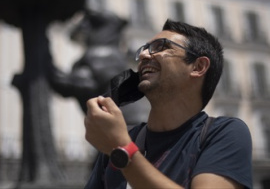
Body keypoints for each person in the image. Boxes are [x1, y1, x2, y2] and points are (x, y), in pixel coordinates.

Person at [84, 19, 253, 189]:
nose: (143, 55)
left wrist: (122, 149)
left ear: (198, 66)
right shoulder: (122, 139)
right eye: (143, 49)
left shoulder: (225, 133)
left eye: (161, 47)